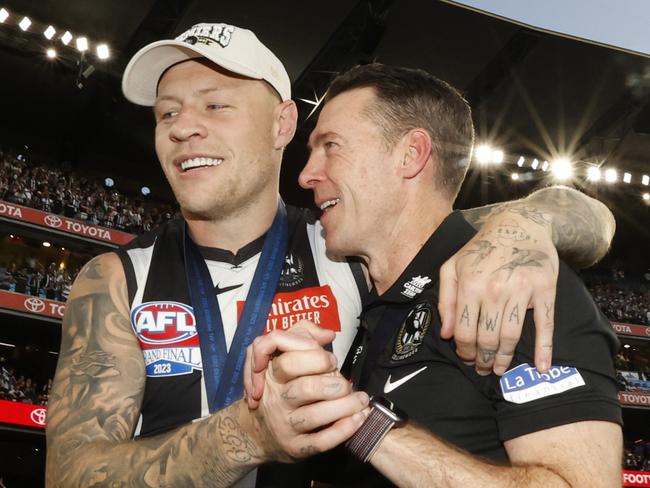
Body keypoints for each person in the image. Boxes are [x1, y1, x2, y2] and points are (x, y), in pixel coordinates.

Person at [46, 23, 615, 487]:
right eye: (166, 113)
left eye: (215, 105)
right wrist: (247, 435)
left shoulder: (346, 248)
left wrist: (523, 223)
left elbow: (582, 217)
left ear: (282, 123)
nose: (183, 128)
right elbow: (68, 475)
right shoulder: (117, 279)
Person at [247, 63, 622, 487]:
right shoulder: (369, 295)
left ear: (411, 155)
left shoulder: (506, 281)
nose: (306, 174)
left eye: (331, 146)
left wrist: (359, 422)